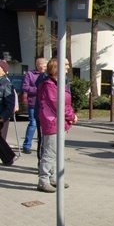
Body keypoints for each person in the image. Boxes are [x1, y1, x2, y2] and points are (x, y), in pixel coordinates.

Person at [37, 59, 77, 192]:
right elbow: (57, 104)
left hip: (59, 122)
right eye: (65, 65)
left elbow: (66, 103)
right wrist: (71, 116)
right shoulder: (49, 85)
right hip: (52, 123)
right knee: (50, 152)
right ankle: (43, 180)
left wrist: (70, 115)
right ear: (56, 68)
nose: (68, 67)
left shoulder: (59, 84)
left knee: (57, 152)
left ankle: (54, 178)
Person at [21, 57, 47, 154]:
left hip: (44, 104)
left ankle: (43, 146)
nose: (45, 68)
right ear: (38, 66)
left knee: (43, 126)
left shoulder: (47, 75)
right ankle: (27, 145)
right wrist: (38, 90)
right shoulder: (30, 74)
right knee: (33, 123)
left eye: (46, 66)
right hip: (33, 103)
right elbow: (25, 87)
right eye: (43, 67)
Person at [0, 60, 17, 166]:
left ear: (3, 71)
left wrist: (3, 117)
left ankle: (8, 157)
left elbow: (10, 103)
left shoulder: (6, 84)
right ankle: (8, 157)